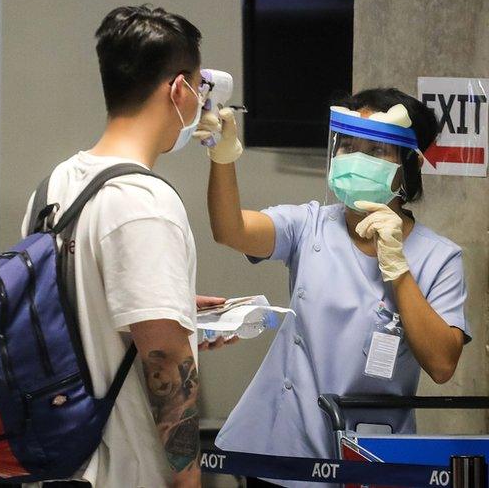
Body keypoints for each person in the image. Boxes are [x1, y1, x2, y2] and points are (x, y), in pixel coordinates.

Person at [198, 88, 469, 487]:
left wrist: (397, 268)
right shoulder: (310, 224)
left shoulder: (439, 257)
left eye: (376, 151)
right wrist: (223, 157)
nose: (357, 160)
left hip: (370, 456)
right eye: (348, 146)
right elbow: (230, 230)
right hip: (282, 446)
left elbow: (443, 365)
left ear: (407, 166)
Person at [18, 4, 218, 488]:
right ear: (178, 90)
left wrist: (174, 308)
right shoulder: (145, 203)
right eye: (199, 87)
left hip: (62, 465)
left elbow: (66, 307)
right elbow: (164, 358)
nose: (200, 102)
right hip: (129, 473)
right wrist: (188, 482)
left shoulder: (53, 187)